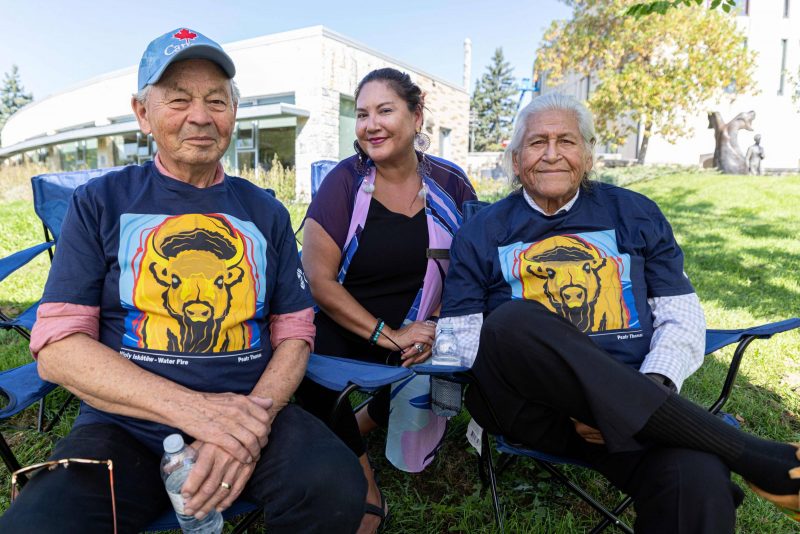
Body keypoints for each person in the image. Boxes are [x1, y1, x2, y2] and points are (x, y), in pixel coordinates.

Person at [0, 28, 365, 533]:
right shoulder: (100, 202)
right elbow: (58, 347)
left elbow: (296, 334)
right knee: (39, 524)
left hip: (252, 408)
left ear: (233, 115)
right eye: (178, 100)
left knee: (333, 487)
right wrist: (200, 414)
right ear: (142, 114)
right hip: (122, 426)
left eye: (217, 100)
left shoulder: (265, 212)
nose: (200, 116)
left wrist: (243, 428)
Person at [438, 92, 800, 532]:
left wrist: (652, 385)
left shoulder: (635, 214)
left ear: (588, 156)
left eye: (566, 141)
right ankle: (752, 455)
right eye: (537, 143)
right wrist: (577, 397)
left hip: (643, 405)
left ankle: (684, 435)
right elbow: (459, 340)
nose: (552, 154)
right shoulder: (481, 230)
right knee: (512, 323)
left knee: (696, 473)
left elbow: (680, 315)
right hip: (532, 410)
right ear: (516, 161)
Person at [297, 68, 476, 533]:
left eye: (384, 110)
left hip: (425, 327)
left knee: (465, 359)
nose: (370, 124)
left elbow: (475, 269)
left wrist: (434, 325)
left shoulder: (451, 183)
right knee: (302, 360)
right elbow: (318, 280)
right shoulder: (344, 181)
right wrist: (388, 335)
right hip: (350, 323)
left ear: (417, 117)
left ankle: (374, 412)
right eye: (361, 114)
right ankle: (364, 483)